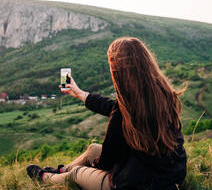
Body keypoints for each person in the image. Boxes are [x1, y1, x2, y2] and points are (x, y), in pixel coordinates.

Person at [26, 37, 187, 190]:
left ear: (118, 72)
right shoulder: (163, 97)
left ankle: (44, 177)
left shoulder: (124, 114)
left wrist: (96, 165)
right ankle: (61, 171)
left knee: (76, 174)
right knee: (93, 149)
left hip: (135, 184)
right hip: (171, 175)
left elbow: (107, 160)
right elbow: (112, 106)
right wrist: (81, 94)